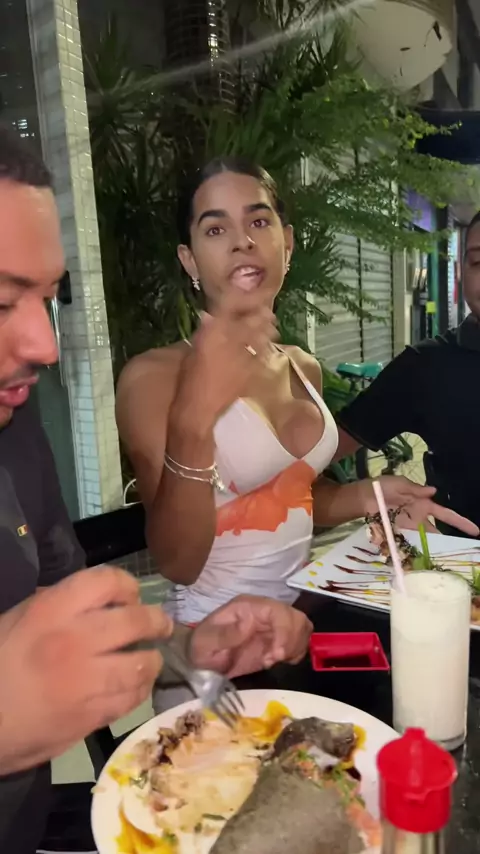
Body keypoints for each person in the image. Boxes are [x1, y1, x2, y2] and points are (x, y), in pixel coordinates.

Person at [0, 128, 313, 853]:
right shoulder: (152, 375)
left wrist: (185, 645)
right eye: (2, 300)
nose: (46, 347)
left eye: (48, 298)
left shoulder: (17, 429)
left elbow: (69, 609)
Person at [116, 156, 476, 631]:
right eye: (216, 229)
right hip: (214, 640)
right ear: (190, 260)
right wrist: (194, 414)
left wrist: (371, 495)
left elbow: (297, 499)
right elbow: (178, 562)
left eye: (258, 222)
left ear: (286, 244)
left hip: (302, 621)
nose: (243, 241)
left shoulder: (301, 366)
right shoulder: (152, 378)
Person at [336, 210, 480, 537]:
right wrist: (365, 499)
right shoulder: (425, 366)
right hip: (458, 564)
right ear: (462, 271)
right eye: (478, 262)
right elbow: (307, 464)